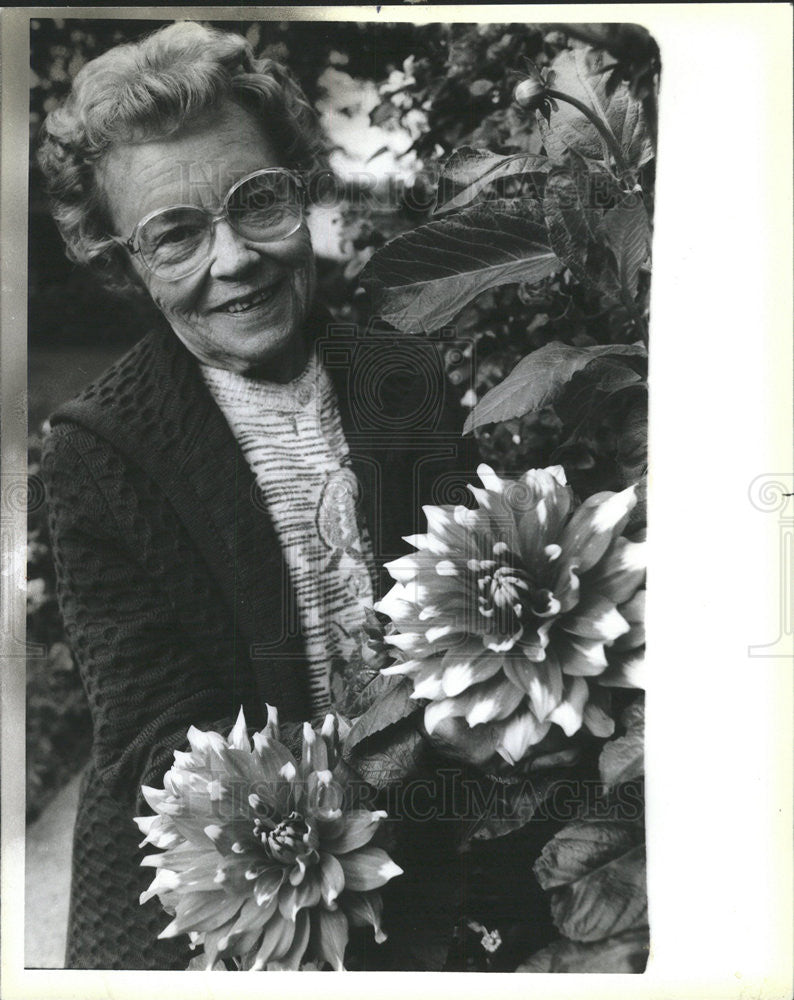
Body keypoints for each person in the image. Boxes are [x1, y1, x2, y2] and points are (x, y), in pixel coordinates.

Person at [37, 22, 472, 970]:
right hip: (226, 883)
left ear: (301, 190)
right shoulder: (98, 452)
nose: (233, 259)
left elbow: (466, 611)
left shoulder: (405, 376)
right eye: (177, 235)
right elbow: (159, 739)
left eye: (257, 203)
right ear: (125, 265)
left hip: (429, 853)